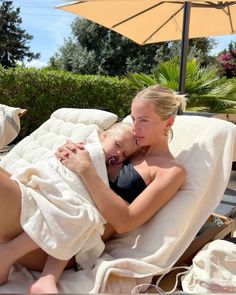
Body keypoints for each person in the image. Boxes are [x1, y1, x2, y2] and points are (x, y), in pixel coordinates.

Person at [0, 84, 186, 293]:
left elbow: (126, 221)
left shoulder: (171, 171)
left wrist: (85, 169)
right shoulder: (131, 145)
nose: (134, 127)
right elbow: (94, 152)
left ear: (167, 122)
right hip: (46, 208)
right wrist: (71, 153)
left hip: (60, 240)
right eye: (133, 118)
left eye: (143, 120)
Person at [0, 122, 138, 293]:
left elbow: (95, 184)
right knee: (78, 215)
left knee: (81, 216)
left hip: (66, 197)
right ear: (103, 136)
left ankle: (44, 278)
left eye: (124, 154)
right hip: (51, 184)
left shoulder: (106, 163)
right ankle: (18, 262)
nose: (118, 153)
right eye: (117, 145)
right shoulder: (88, 149)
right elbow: (62, 170)